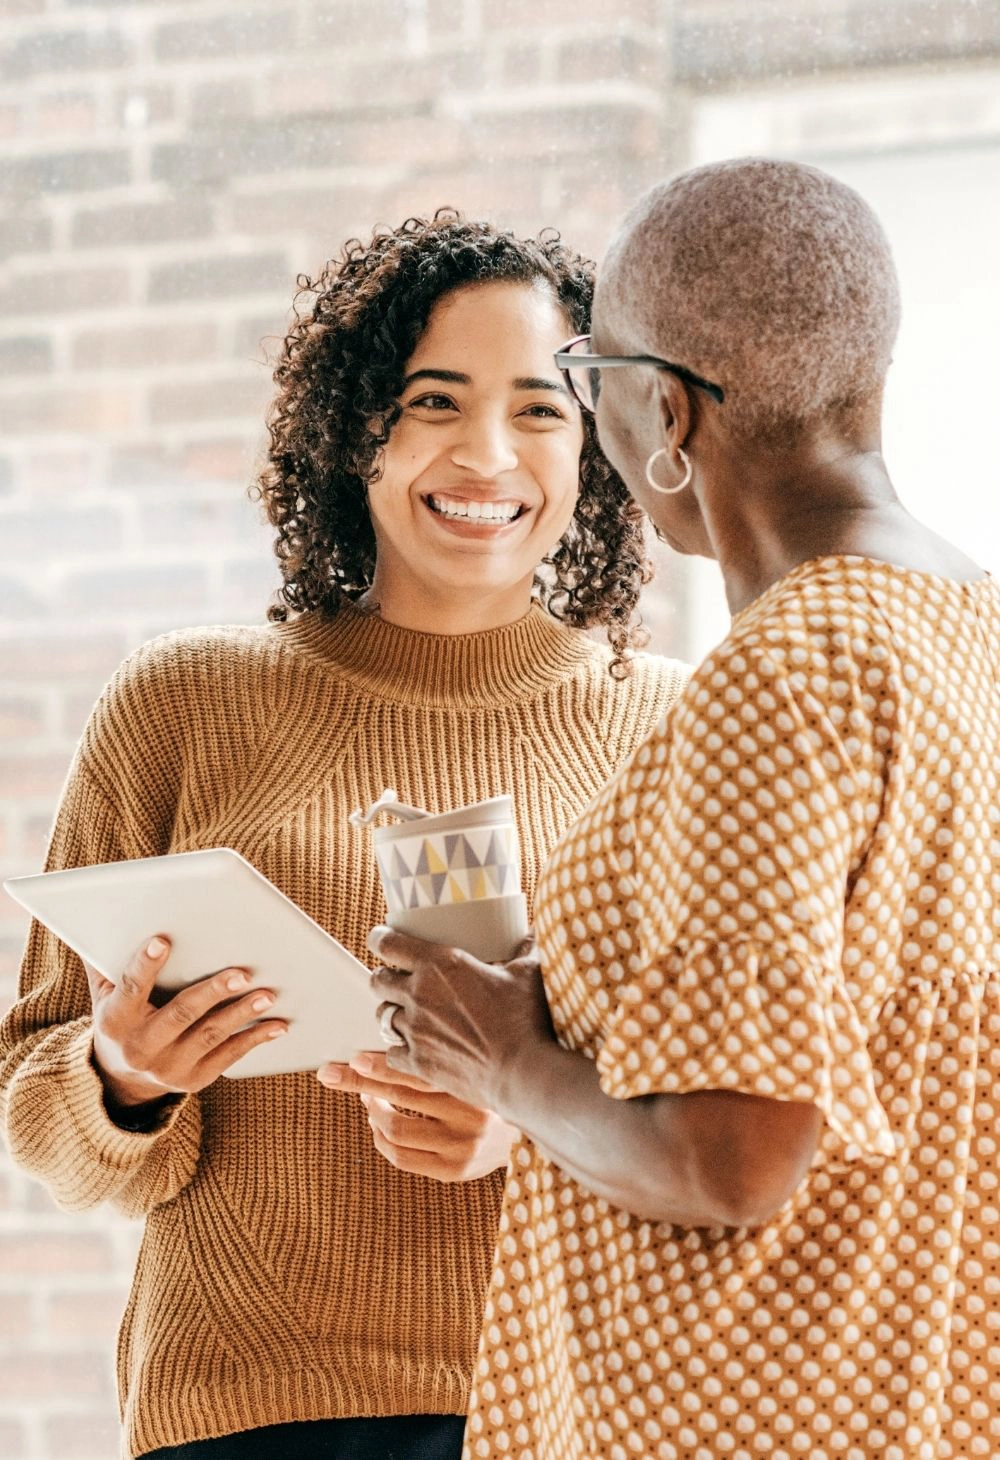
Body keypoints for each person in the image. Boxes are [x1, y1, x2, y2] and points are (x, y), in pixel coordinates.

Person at [0, 213, 691, 1460]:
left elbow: (748, 1130)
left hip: (580, 1406)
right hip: (249, 1410)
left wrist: (529, 1122)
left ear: (598, 443)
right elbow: (36, 1104)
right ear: (352, 431)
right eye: (433, 399)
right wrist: (124, 1076)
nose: (488, 453)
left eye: (541, 408)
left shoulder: (676, 726)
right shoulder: (185, 701)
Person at [346, 162, 1000, 1460]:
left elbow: (732, 1158)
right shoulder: (970, 628)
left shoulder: (784, 672)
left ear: (663, 408)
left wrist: (503, 1060)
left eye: (584, 384)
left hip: (733, 1414)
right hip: (907, 1400)